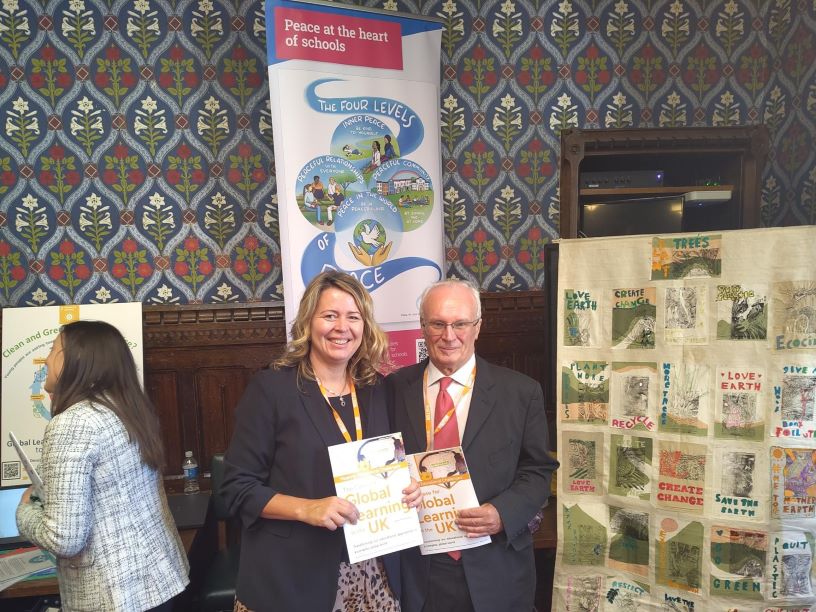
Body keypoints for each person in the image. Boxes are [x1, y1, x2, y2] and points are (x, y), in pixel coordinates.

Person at [220, 271, 422, 612]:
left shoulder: (378, 390)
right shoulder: (271, 390)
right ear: (308, 323)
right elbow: (235, 489)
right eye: (330, 315)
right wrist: (306, 509)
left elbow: (394, 462)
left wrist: (410, 484)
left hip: (375, 570)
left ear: (365, 326)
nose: (342, 327)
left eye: (353, 317)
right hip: (293, 577)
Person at [388, 279, 558, 612]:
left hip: (497, 566)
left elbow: (538, 470)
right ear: (423, 327)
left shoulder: (521, 392)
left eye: (460, 323)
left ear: (477, 327)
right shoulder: (393, 388)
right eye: (437, 323)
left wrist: (502, 513)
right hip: (421, 569)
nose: (449, 335)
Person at [16, 321, 189, 612]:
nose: (46, 359)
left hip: (113, 595)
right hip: (155, 581)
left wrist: (25, 511)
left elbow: (65, 538)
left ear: (78, 360)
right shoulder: (126, 408)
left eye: (53, 349)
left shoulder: (73, 423)